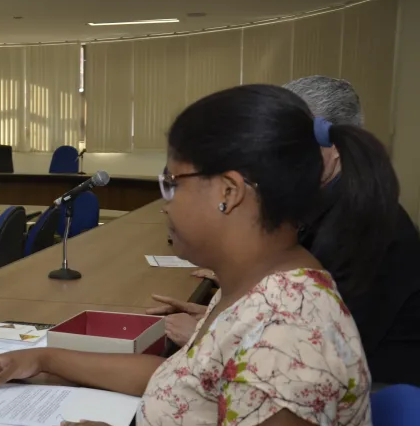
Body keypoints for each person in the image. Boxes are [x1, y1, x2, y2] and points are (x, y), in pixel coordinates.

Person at [0, 85, 373, 426]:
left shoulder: (284, 335)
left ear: (229, 192)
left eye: (172, 183)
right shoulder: (255, 282)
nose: (165, 204)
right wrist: (46, 359)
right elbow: (184, 378)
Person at [151, 76, 420, 385]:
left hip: (375, 385)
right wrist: (220, 321)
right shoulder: (323, 204)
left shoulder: (364, 226)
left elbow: (316, 344)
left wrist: (211, 337)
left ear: (332, 145)